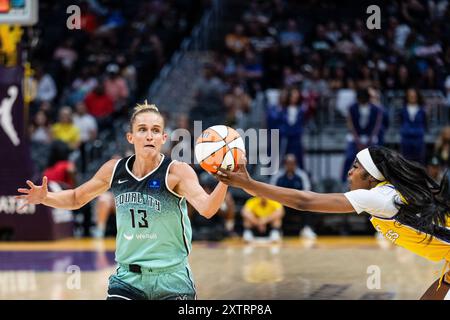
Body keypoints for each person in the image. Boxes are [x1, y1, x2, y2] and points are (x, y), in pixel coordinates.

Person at [17, 102, 229, 300]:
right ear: (130, 137)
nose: (149, 136)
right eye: (142, 129)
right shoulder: (114, 169)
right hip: (127, 279)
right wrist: (46, 197)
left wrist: (225, 178)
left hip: (172, 278)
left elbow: (207, 208)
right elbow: (75, 197)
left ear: (163, 138)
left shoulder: (177, 172)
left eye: (155, 130)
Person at [215, 146, 450, 300]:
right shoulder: (386, 195)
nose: (349, 172)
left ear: (371, 177)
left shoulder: (378, 197)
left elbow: (304, 201)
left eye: (355, 167)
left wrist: (252, 184)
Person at [270, 154, 316, 238]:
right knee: (275, 206)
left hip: (298, 202)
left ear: (295, 163)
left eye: (292, 163)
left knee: (309, 205)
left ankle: (306, 228)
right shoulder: (278, 175)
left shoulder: (302, 175)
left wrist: (296, 198)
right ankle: (276, 230)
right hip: (282, 203)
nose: (290, 165)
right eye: (288, 163)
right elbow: (272, 190)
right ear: (285, 163)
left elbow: (307, 190)